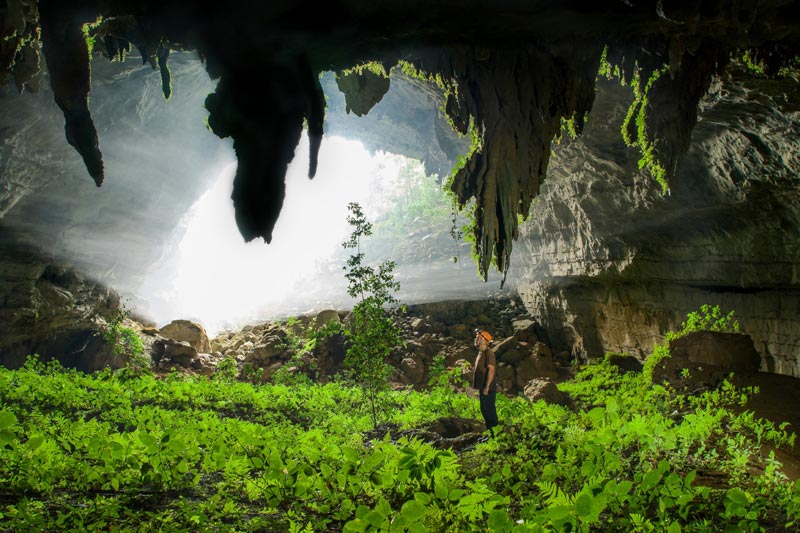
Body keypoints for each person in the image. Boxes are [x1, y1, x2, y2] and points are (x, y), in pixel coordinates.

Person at [473, 329, 499, 437]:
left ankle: (496, 435)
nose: (476, 340)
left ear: (484, 341)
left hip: (488, 387)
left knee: (489, 410)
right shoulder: (481, 352)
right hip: (482, 386)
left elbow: (491, 370)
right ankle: (490, 434)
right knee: (484, 409)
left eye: (478, 338)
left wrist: (487, 386)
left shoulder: (489, 353)